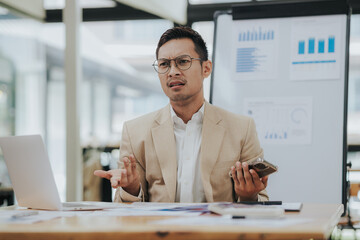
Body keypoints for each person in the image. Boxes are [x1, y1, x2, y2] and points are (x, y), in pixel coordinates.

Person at [94, 26, 269, 203]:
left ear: (206, 68)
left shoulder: (241, 128)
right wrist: (131, 189)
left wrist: (248, 195)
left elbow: (262, 201)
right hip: (161, 230)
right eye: (164, 64)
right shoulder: (135, 132)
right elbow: (124, 213)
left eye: (183, 61)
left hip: (216, 229)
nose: (172, 72)